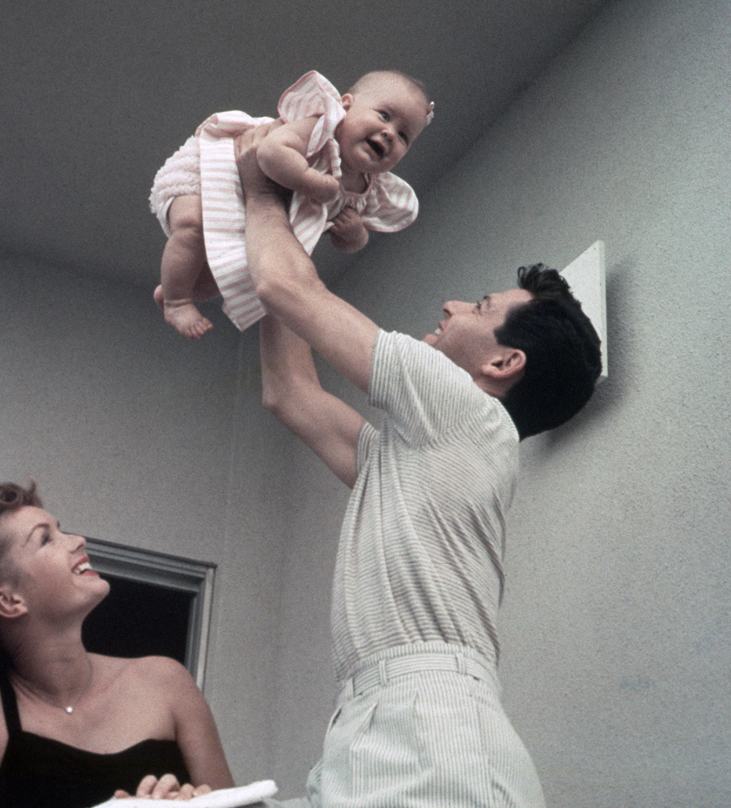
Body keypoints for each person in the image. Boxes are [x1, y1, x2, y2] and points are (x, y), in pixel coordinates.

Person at [234, 124, 601, 807]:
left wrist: (261, 188)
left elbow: (286, 288)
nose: (452, 306)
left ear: (501, 364)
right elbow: (291, 391)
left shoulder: (469, 411)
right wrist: (290, 219)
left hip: (433, 729)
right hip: (375, 719)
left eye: (480, 308)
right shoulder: (421, 451)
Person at [0, 482, 234, 808]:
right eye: (45, 540)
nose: (78, 540)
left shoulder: (167, 682)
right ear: (10, 601)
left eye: (61, 529)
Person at [148, 69, 434, 339]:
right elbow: (271, 152)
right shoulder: (321, 129)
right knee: (192, 226)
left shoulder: (366, 191)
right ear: (345, 106)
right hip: (209, 174)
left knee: (226, 280)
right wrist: (311, 181)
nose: (389, 133)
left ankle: (174, 286)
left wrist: (354, 234)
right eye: (384, 115)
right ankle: (177, 301)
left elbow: (346, 245)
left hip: (244, 215)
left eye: (404, 136)